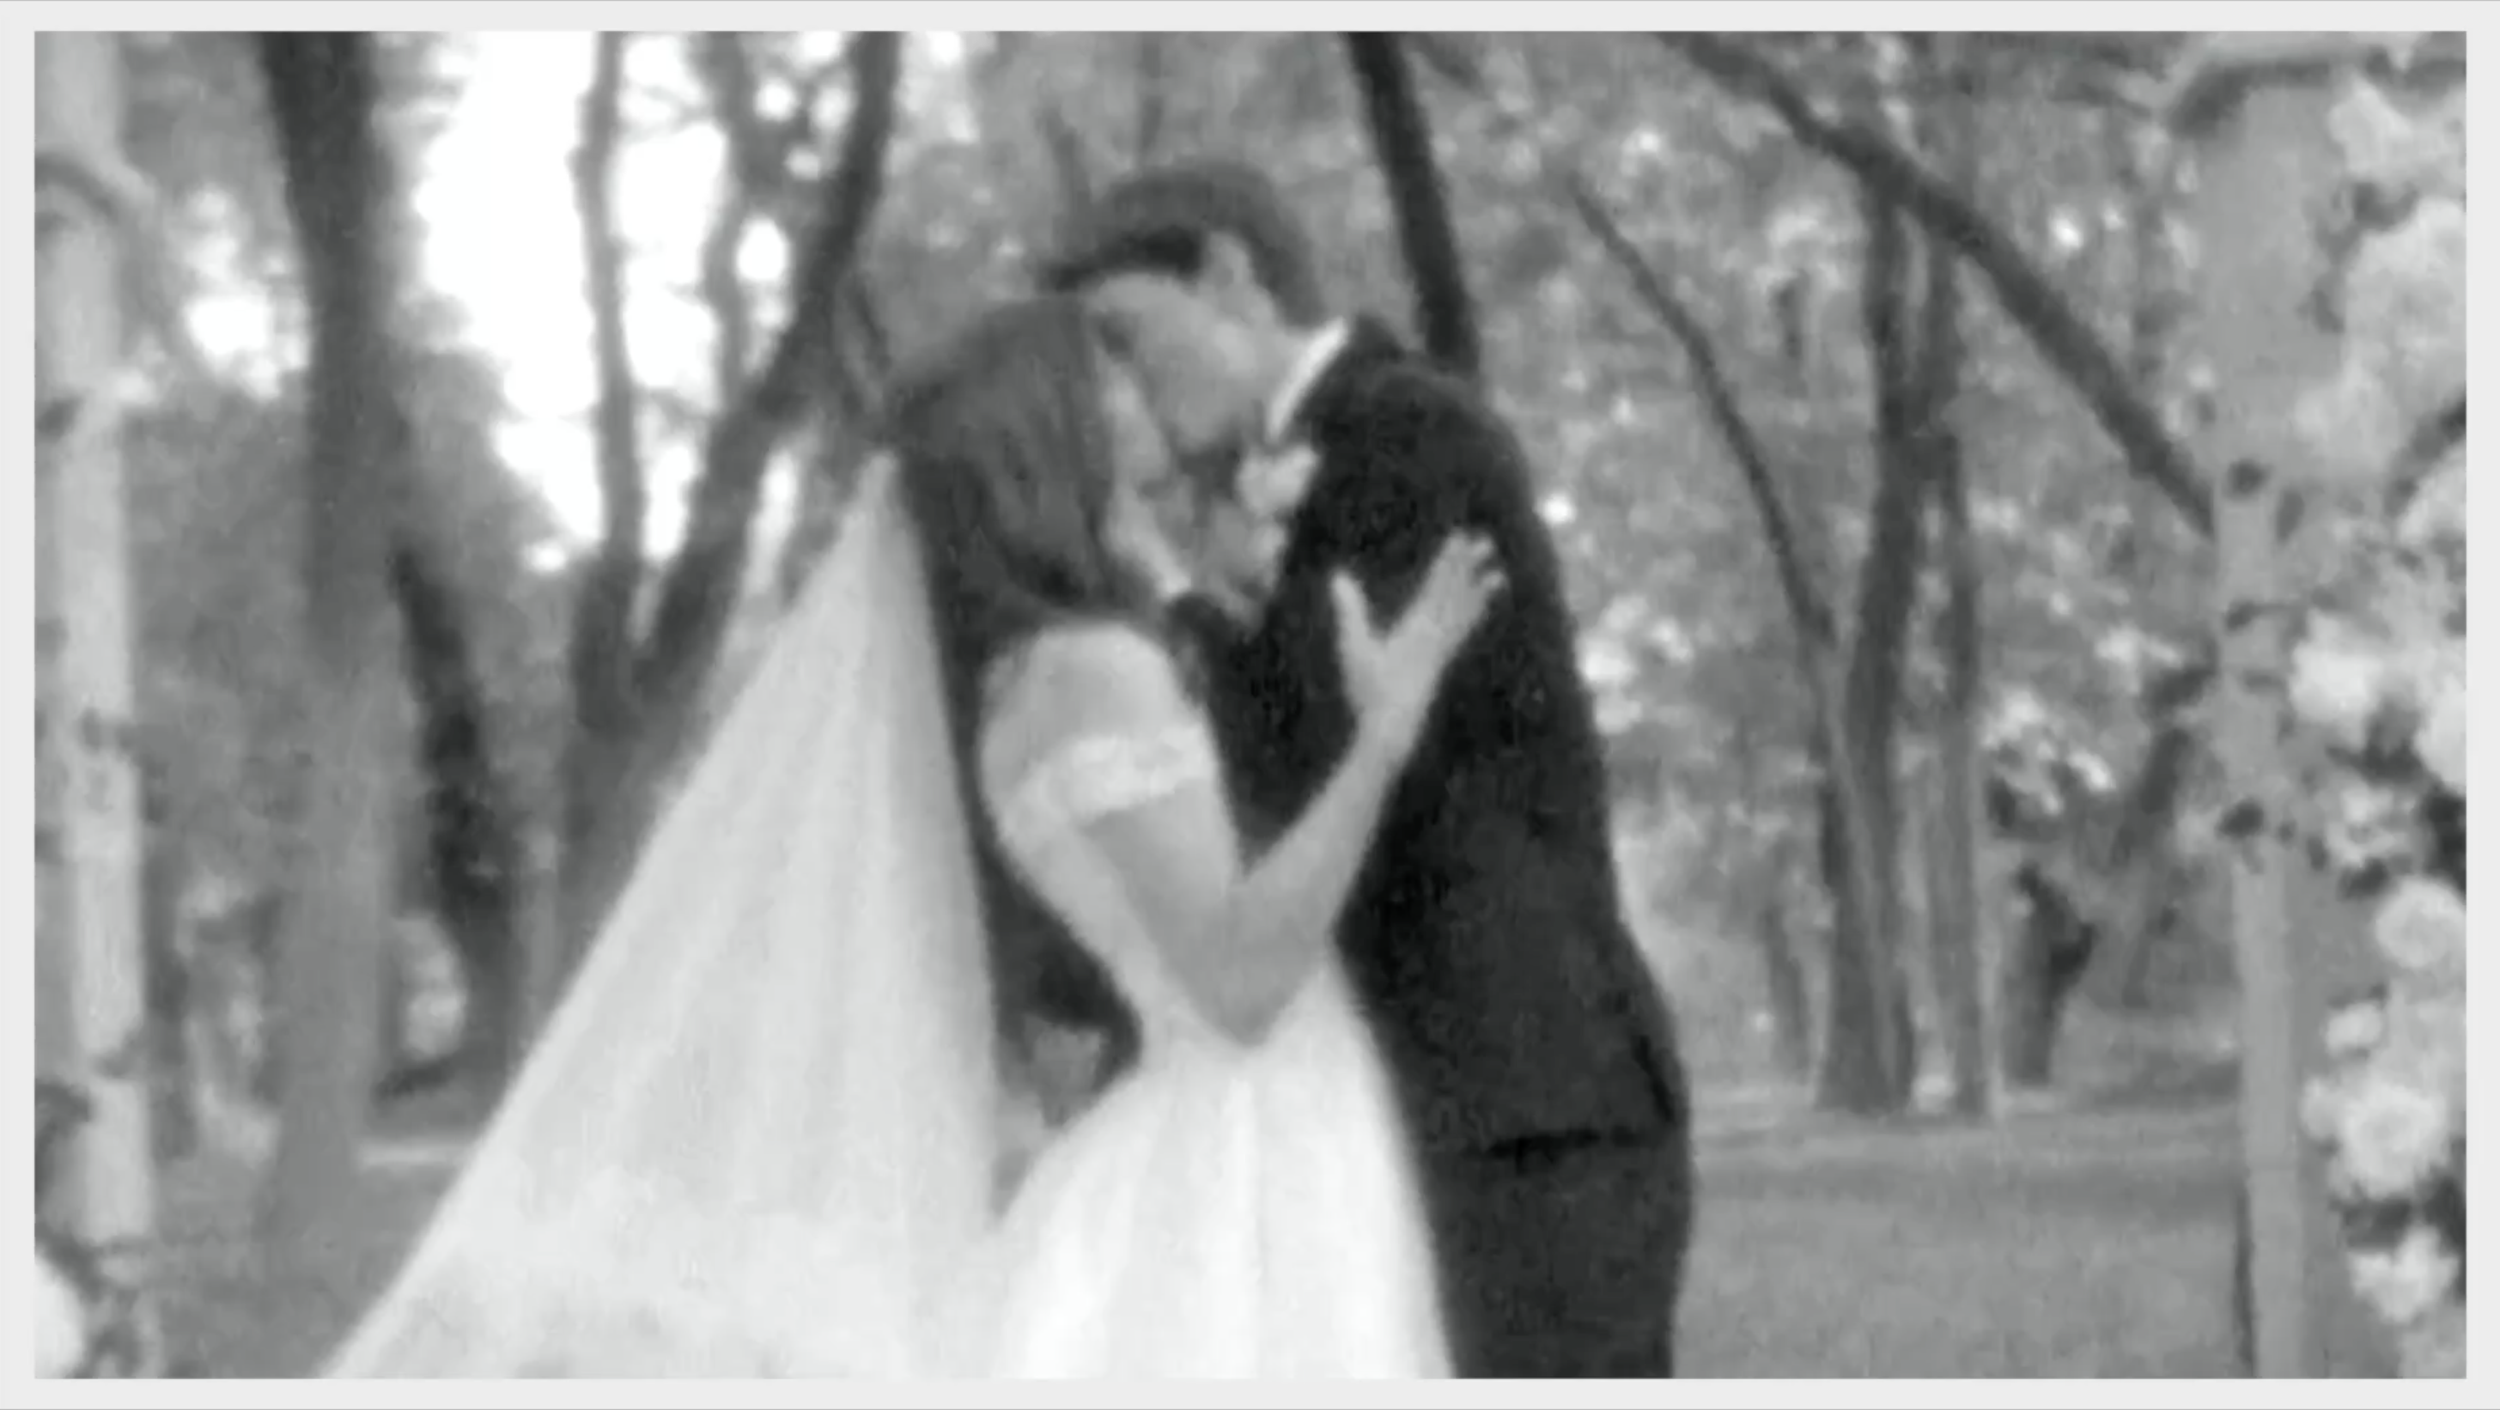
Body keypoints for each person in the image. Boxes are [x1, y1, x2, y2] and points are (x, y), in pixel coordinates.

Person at [322, 295, 1497, 1378]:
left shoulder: (1025, 678)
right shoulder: (1094, 672)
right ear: (1052, 437)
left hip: (1249, 1128)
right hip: (1246, 1155)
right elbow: (1241, 980)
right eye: (1105, 385)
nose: (1135, 403)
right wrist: (1383, 738)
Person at [1042, 158, 1697, 1378]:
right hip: (1400, 1108)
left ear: (1228, 274)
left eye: (1127, 338)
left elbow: (1314, 757)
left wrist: (1178, 599)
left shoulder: (1405, 430)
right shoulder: (1275, 480)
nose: (1118, 391)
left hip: (1521, 1100)